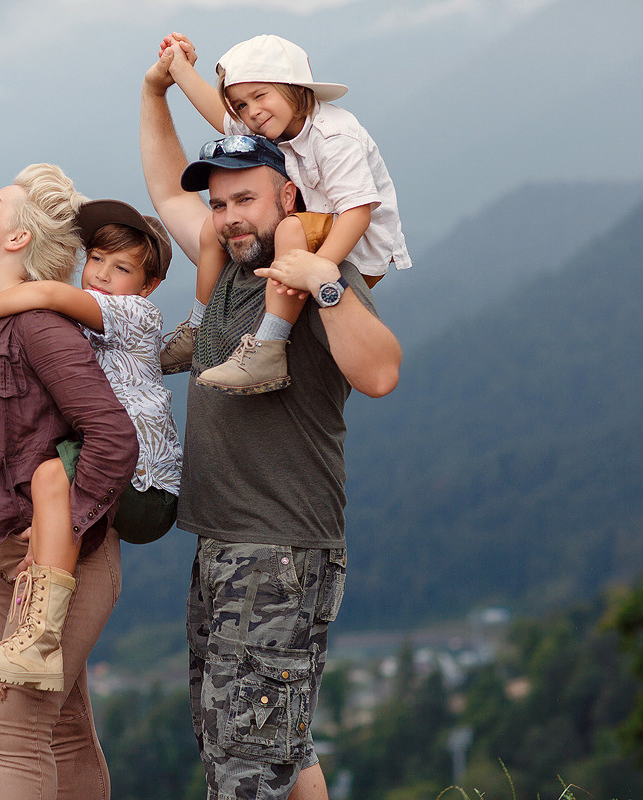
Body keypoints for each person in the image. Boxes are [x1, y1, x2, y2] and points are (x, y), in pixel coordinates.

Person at [141, 44, 402, 800]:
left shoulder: (319, 274)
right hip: (224, 544)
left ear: (289, 198)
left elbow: (380, 372)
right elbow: (164, 184)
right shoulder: (224, 269)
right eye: (218, 203)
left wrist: (324, 283)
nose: (226, 217)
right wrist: (154, 89)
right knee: (273, 752)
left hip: (279, 550)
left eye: (243, 199)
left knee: (247, 770)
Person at [0, 164, 138, 799]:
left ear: (17, 239)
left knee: (14, 728)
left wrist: (60, 535)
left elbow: (113, 437)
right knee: (60, 726)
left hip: (58, 558)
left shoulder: (38, 326)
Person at [0, 199, 182, 690]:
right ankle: (23, 588)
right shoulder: (86, 320)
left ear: (148, 288)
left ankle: (38, 638)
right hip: (122, 480)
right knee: (63, 729)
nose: (101, 274)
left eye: (121, 267)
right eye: (97, 258)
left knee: (47, 473)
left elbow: (40, 292)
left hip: (147, 486)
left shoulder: (136, 314)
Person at [159, 33, 410, 394]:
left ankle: (268, 347)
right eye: (241, 105)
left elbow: (357, 213)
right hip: (315, 224)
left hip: (356, 244)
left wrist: (318, 269)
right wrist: (179, 67)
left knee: (290, 229)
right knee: (209, 232)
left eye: (260, 96)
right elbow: (220, 118)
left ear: (293, 88)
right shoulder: (269, 123)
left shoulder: (334, 136)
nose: (252, 112)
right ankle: (198, 327)